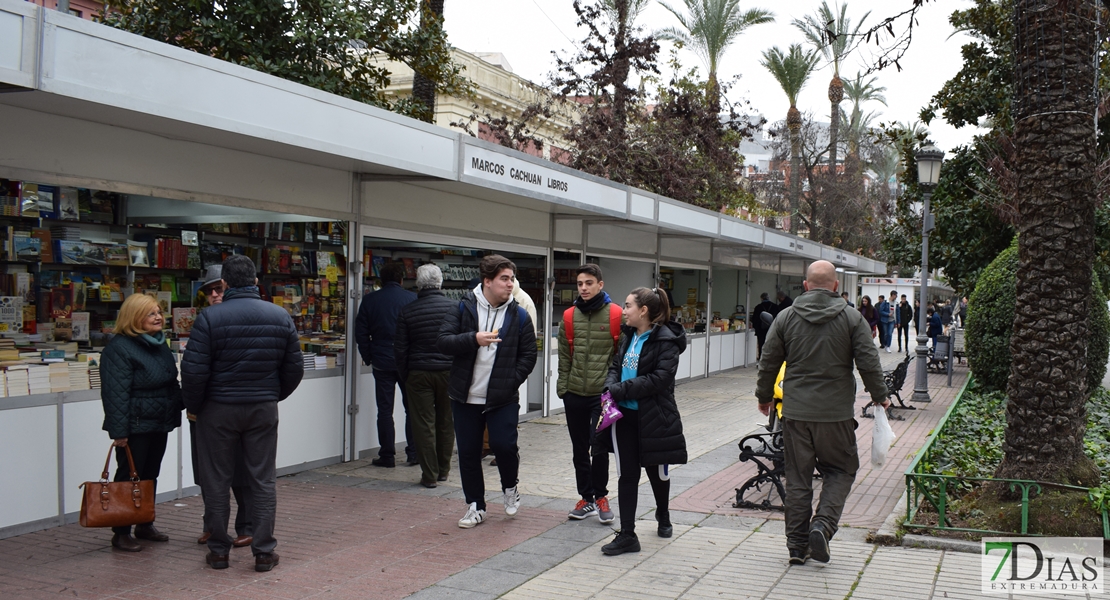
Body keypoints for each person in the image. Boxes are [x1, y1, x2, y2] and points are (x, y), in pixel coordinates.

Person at [755, 260, 888, 566]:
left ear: (805, 285)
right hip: (836, 414)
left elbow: (768, 361)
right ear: (836, 286)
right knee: (841, 470)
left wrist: (764, 397)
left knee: (798, 478)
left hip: (796, 413)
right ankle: (822, 526)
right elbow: (869, 361)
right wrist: (880, 397)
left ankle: (796, 546)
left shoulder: (786, 317)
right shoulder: (853, 318)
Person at [182, 255, 304, 572]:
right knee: (262, 480)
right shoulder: (280, 316)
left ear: (225, 283)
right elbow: (294, 369)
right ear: (255, 281)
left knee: (217, 480)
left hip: (218, 409)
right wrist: (271, 395)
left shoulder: (209, 318)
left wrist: (196, 407)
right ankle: (263, 550)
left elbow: (193, 372)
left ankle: (219, 550)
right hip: (262, 407)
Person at [438, 255, 537, 529]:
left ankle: (510, 487)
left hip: (501, 397)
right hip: (465, 396)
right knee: (468, 452)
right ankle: (475, 506)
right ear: (487, 281)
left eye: (512, 279)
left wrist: (510, 382)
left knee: (505, 446)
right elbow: (443, 341)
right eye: (504, 279)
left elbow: (529, 355)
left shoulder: (519, 315)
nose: (510, 284)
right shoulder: (462, 308)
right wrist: (474, 339)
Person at [600, 287, 688, 556]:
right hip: (624, 418)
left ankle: (663, 513)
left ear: (643, 310)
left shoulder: (666, 340)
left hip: (654, 418)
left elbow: (660, 380)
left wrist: (620, 389)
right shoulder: (629, 336)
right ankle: (628, 534)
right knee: (627, 474)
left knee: (656, 473)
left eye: (627, 306)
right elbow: (615, 366)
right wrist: (610, 385)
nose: (623, 311)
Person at [100, 293, 183, 553]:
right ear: (134, 317)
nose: (158, 317)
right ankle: (121, 531)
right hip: (135, 424)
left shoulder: (158, 344)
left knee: (149, 475)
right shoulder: (120, 348)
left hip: (159, 421)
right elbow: (115, 394)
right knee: (128, 477)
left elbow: (170, 381)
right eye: (151, 313)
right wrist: (119, 432)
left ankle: (145, 522)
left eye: (159, 312)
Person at [190, 265, 252, 548]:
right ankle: (213, 526)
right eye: (209, 291)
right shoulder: (204, 319)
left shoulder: (247, 315)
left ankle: (246, 525)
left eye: (219, 288)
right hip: (210, 408)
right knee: (210, 474)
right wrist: (194, 405)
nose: (214, 295)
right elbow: (194, 369)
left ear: (230, 286)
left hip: (241, 406)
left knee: (242, 471)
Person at [557, 263, 617, 525]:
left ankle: (602, 496)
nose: (583, 288)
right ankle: (586, 498)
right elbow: (563, 357)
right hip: (574, 395)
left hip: (602, 396)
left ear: (600, 285)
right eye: (580, 283)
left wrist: (612, 390)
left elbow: (620, 357)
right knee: (579, 449)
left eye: (589, 283)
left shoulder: (616, 315)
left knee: (599, 447)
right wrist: (563, 389)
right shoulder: (569, 317)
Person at [394, 264, 456, 489]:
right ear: (440, 283)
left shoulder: (408, 311)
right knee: (446, 422)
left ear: (418, 284)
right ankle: (444, 470)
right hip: (449, 371)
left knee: (423, 423)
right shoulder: (454, 308)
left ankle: (429, 474)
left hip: (418, 373)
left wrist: (406, 374)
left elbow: (400, 349)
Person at [356, 263, 417, 468]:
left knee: (384, 409)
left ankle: (387, 454)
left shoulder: (370, 300)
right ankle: (413, 452)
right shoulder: (411, 299)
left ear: (381, 281)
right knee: (412, 409)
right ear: (401, 280)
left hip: (381, 360)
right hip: (406, 361)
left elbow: (361, 333)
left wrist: (369, 356)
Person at [751, 292, 777, 360]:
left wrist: (755, 327)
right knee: (772, 345)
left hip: (761, 330)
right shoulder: (775, 306)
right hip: (772, 329)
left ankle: (761, 359)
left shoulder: (758, 307)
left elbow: (754, 319)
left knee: (761, 344)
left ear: (761, 298)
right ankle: (771, 359)